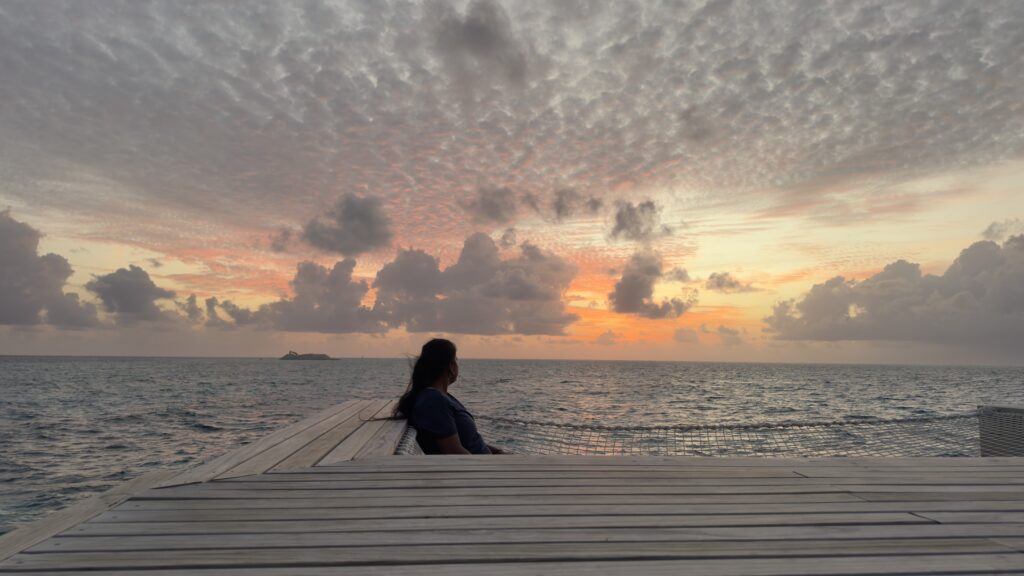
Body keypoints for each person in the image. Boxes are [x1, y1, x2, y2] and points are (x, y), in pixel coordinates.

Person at [395, 338, 505, 455]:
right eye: (456, 360)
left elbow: (471, 442)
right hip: (478, 470)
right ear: (451, 366)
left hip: (486, 464)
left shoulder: (439, 397)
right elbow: (454, 452)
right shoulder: (434, 401)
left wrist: (498, 453)